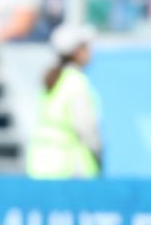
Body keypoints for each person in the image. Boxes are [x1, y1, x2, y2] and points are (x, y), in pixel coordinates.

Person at [27, 23, 101, 179]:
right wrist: (98, 153)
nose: (90, 52)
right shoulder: (75, 82)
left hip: (39, 165)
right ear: (77, 52)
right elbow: (87, 129)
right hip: (69, 170)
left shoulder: (50, 79)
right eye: (86, 47)